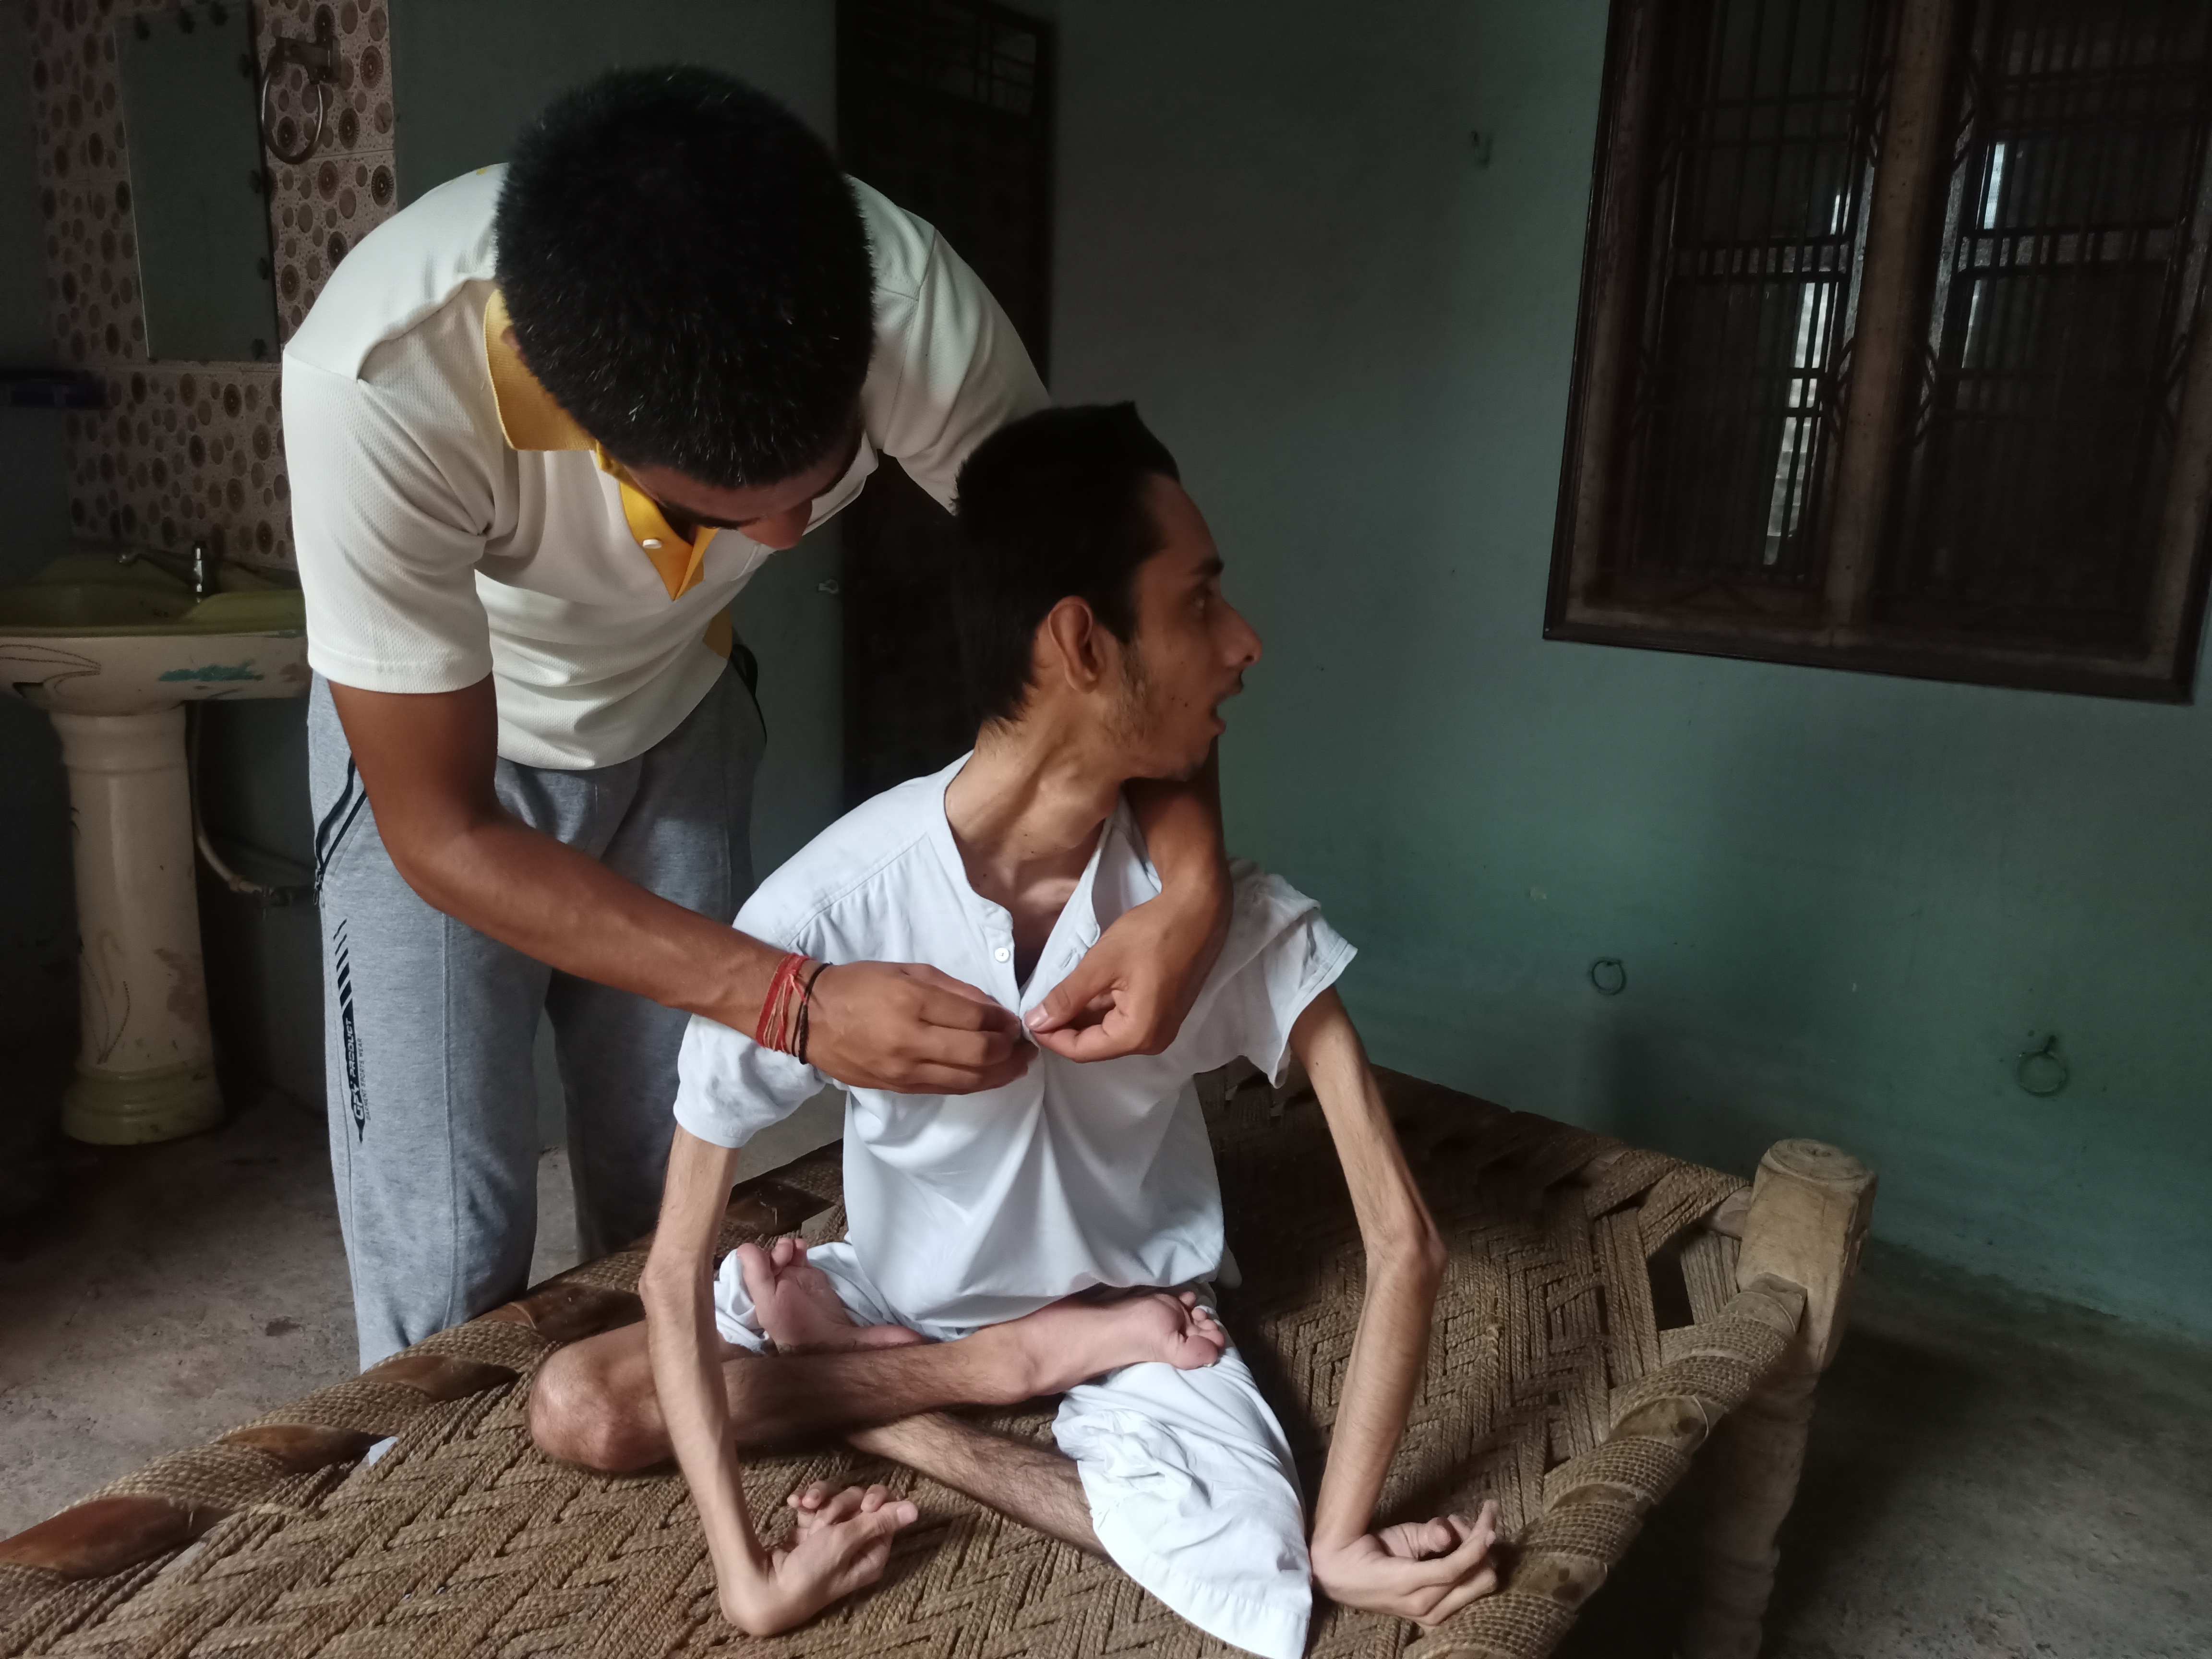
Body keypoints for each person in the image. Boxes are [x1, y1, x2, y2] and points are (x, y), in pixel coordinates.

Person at [286, 70, 1232, 1370]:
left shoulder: (906, 300)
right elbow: (439, 829)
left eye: (832, 474)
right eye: (723, 516)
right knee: (444, 1228)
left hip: (681, 712)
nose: (789, 536)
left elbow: (1131, 613)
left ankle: (671, 1430)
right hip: (447, 755)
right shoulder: (382, 379)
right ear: (588, 431)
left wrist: (1189, 894)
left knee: (665, 1167)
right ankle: (440, 1503)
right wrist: (790, 999)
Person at [528, 405, 1501, 1653]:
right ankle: (969, 1368)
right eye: (1202, 601)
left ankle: (882, 1391)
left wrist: (1337, 1536)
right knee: (578, 1406)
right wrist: (746, 1578)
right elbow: (670, 1273)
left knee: (1258, 1575)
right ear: (1081, 643)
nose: (1245, 644)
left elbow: (1403, 1238)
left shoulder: (1221, 917)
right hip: (900, 1289)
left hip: (1152, 1322)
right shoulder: (829, 914)